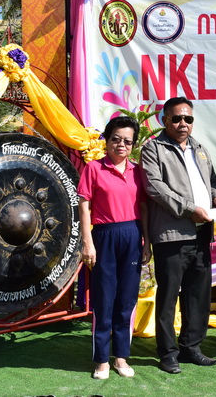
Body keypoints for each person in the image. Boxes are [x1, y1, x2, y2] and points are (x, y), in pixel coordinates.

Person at [140, 97, 216, 374]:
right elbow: (155, 188)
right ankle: (168, 353)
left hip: (202, 233)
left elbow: (212, 181)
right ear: (164, 120)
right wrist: (190, 209)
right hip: (172, 235)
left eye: (188, 119)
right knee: (168, 296)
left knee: (198, 294)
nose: (182, 124)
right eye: (176, 118)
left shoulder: (199, 148)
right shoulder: (153, 148)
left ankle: (191, 348)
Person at [78, 116, 150, 379]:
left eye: (127, 141)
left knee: (126, 299)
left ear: (133, 145)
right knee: (104, 298)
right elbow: (84, 206)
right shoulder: (94, 169)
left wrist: (147, 241)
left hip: (133, 235)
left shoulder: (138, 171)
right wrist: (87, 242)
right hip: (104, 236)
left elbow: (143, 207)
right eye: (116, 139)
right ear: (107, 140)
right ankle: (101, 360)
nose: (121, 145)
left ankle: (121, 357)